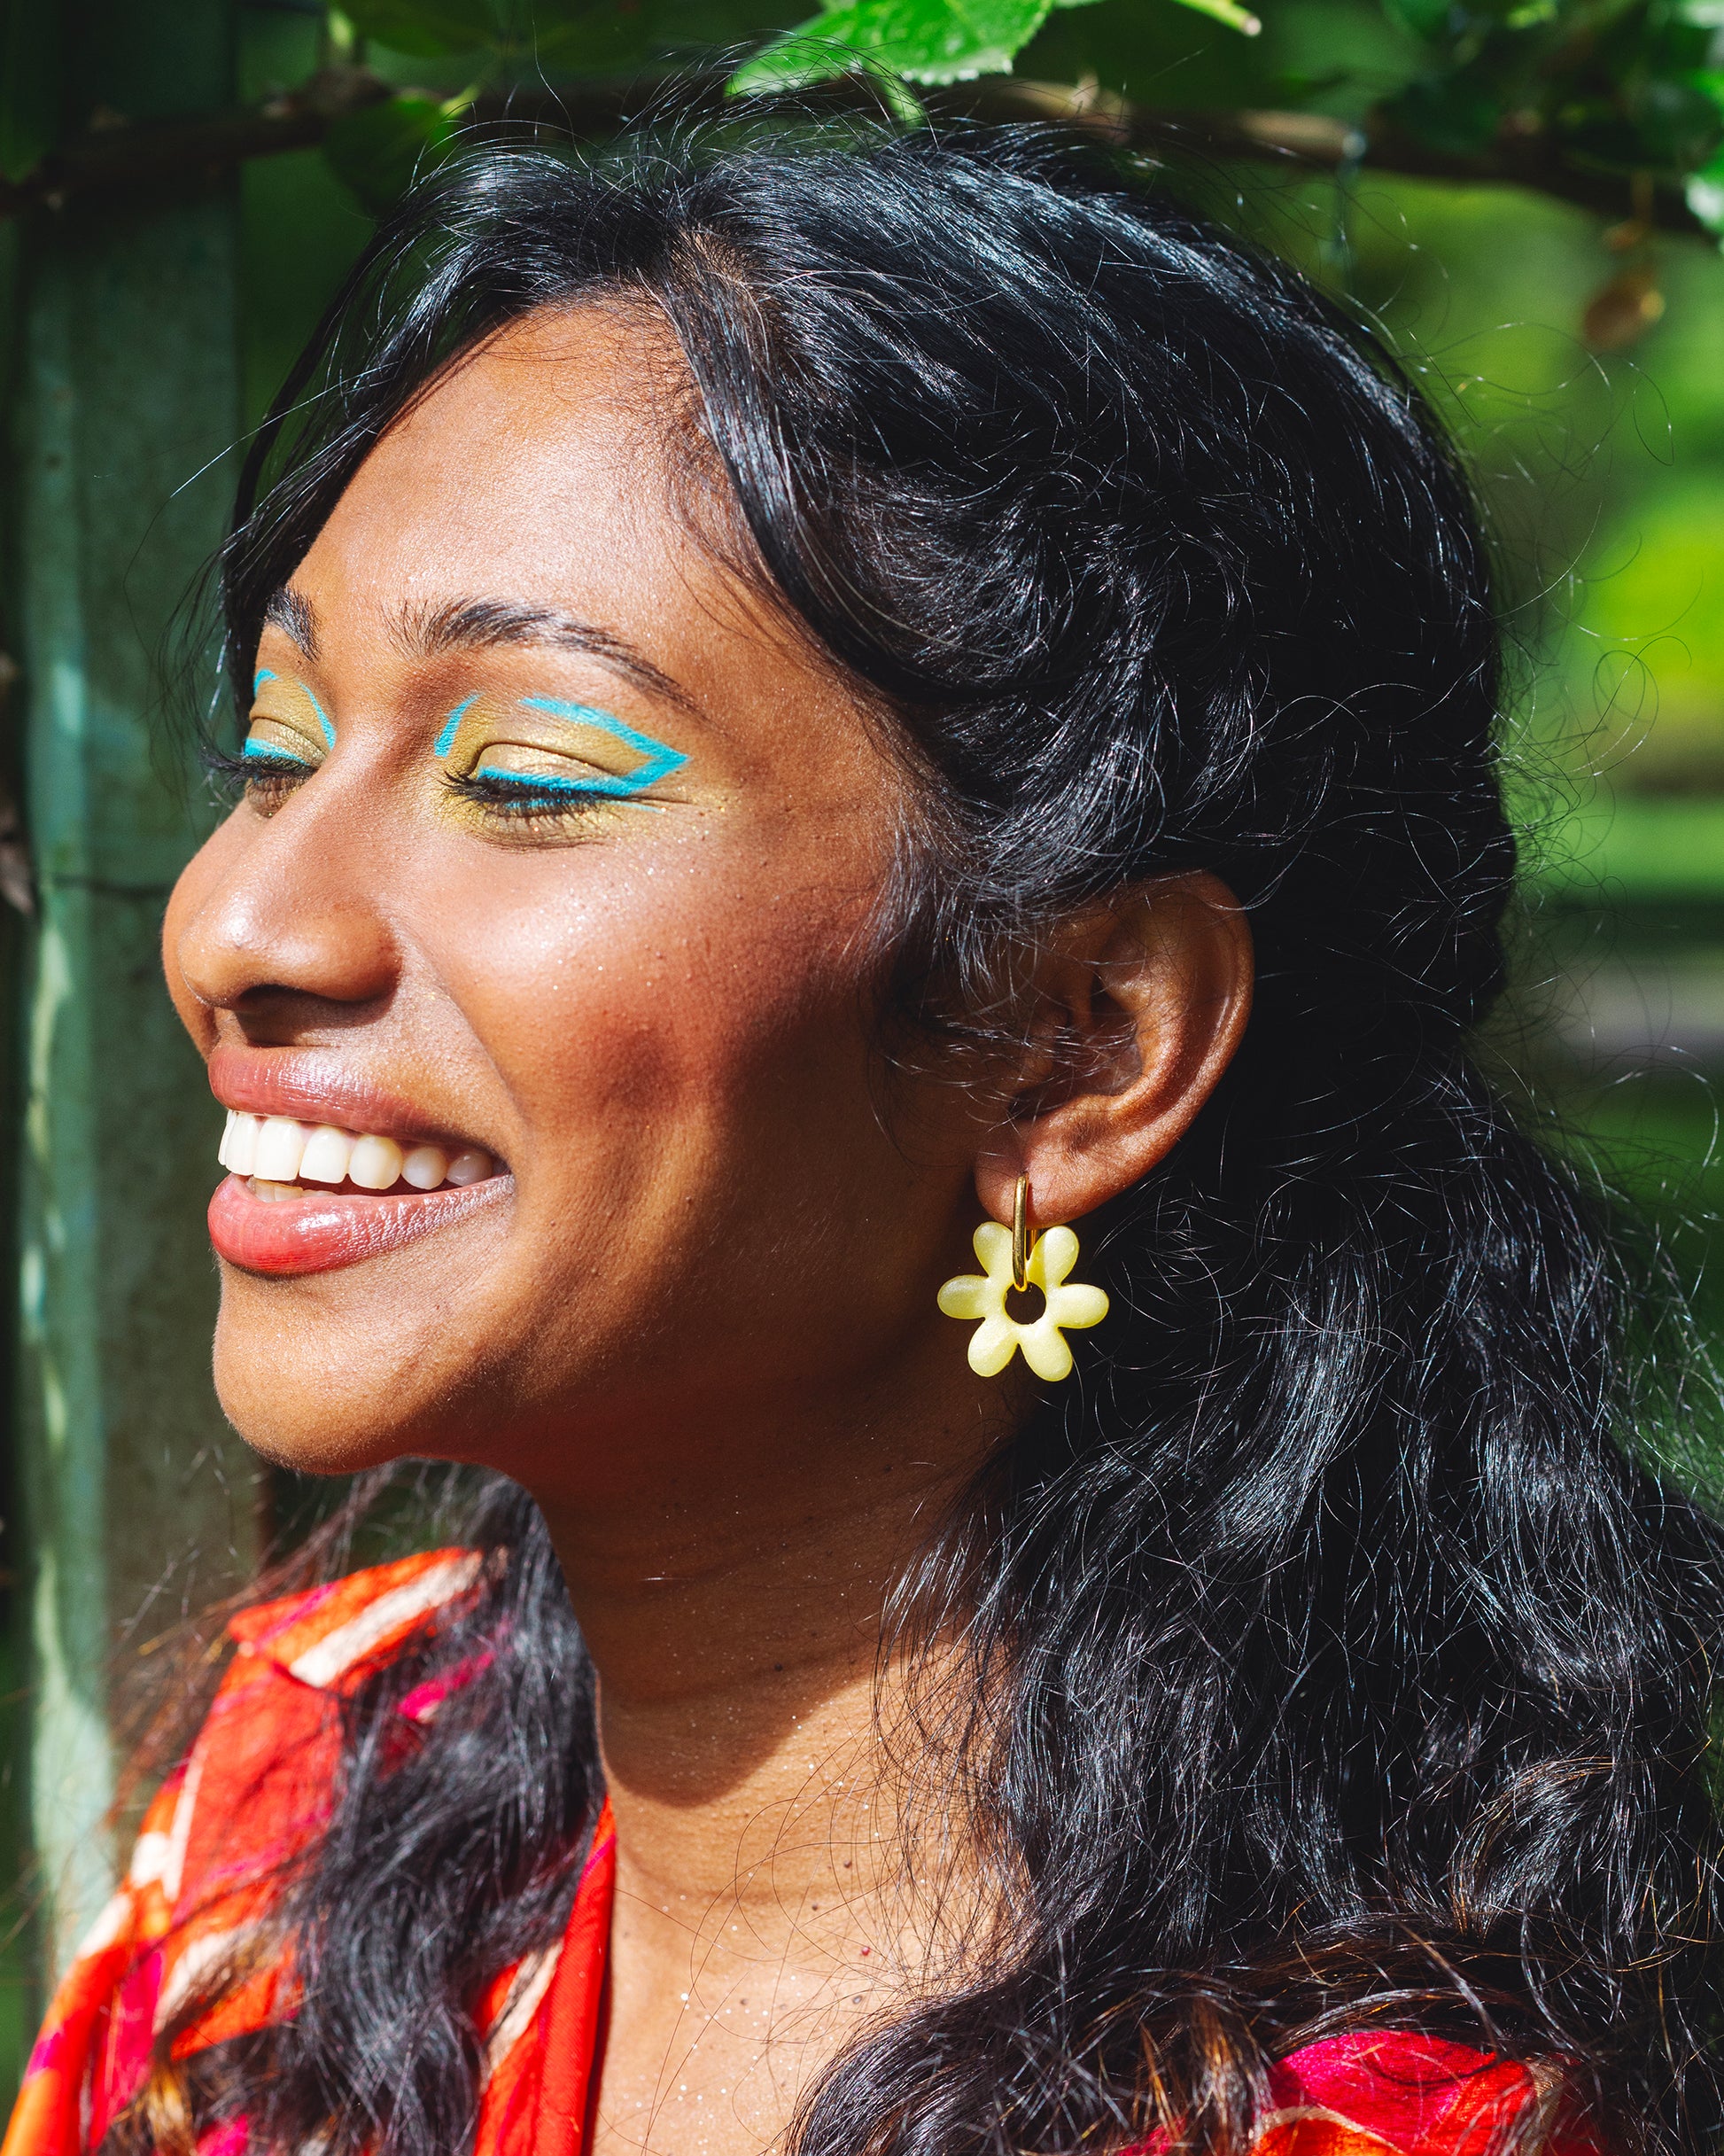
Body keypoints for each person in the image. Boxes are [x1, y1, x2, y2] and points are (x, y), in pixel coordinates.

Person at [5, 121, 1720, 2156]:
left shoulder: (1385, 2113)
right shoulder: (303, 1826)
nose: (238, 923)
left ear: (1076, 1044)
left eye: (531, 776)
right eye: (276, 749)